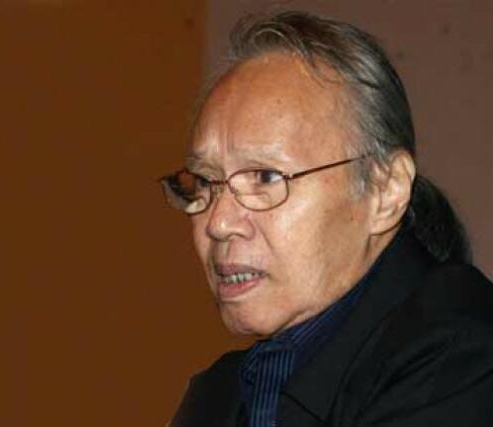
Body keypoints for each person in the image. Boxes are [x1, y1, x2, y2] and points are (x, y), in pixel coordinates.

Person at [160, 10, 493, 427]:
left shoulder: (464, 355)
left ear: (385, 191)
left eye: (265, 177)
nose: (218, 222)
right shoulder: (220, 394)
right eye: (205, 181)